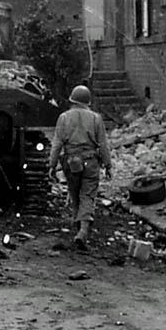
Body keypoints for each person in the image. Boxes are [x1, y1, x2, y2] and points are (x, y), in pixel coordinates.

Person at [48, 84, 112, 249]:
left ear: (72, 100)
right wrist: (108, 165)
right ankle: (83, 231)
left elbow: (57, 144)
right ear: (87, 101)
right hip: (90, 161)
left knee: (74, 194)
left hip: (71, 161)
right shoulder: (96, 118)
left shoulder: (64, 117)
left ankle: (78, 229)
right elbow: (103, 144)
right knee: (88, 196)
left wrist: (52, 165)